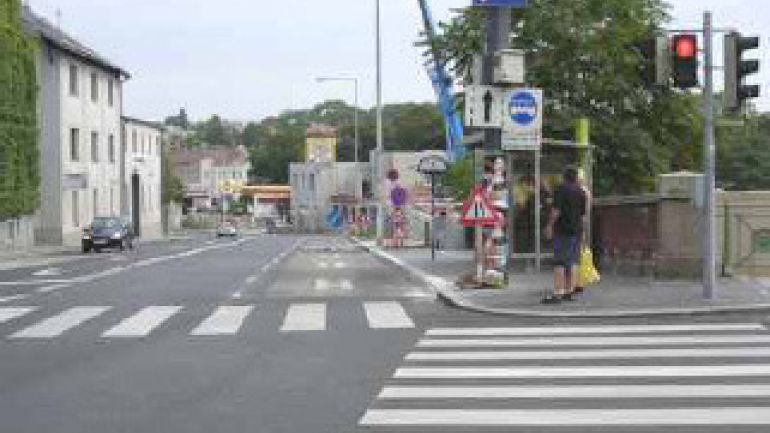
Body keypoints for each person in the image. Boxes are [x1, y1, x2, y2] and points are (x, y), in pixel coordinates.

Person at [543, 166, 587, 304]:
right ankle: (569, 292)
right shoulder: (581, 192)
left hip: (563, 230)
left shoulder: (561, 189)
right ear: (575, 177)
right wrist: (583, 232)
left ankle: (558, 293)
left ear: (564, 176)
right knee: (573, 262)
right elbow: (583, 215)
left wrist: (549, 225)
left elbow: (556, 210)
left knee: (559, 262)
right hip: (577, 231)